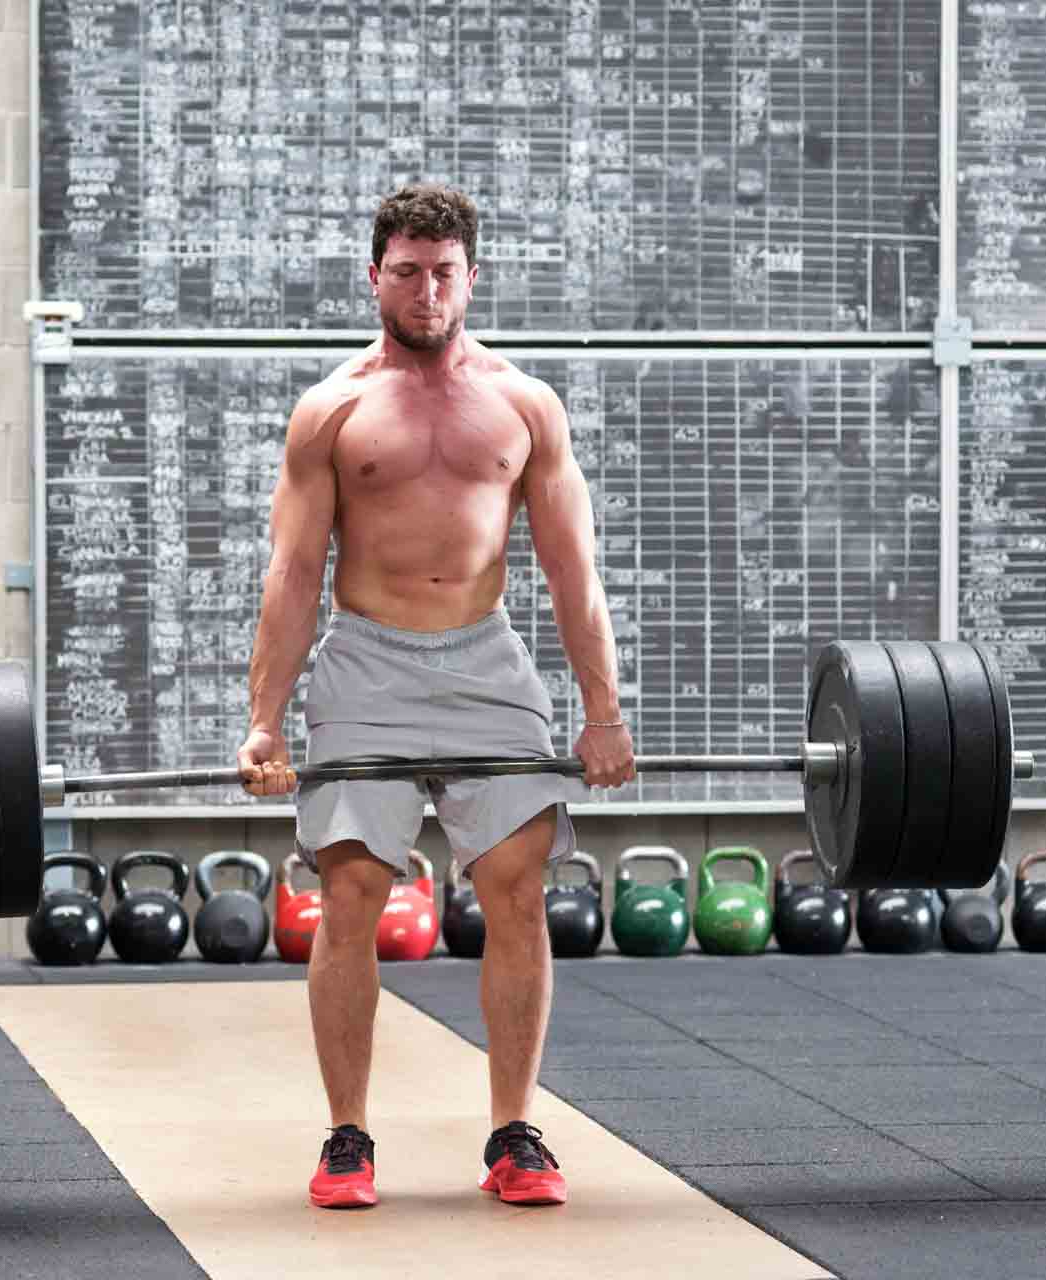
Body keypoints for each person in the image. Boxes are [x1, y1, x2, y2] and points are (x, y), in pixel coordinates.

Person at [234, 183, 636, 1209]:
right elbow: (290, 574)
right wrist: (264, 722)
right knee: (354, 894)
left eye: (443, 272)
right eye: (406, 271)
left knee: (513, 887)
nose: (425, 291)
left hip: (486, 662)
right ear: (375, 277)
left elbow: (572, 571)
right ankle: (347, 1138)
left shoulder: (523, 405)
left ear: (471, 277)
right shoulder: (332, 410)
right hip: (365, 661)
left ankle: (513, 1130)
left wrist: (602, 709)